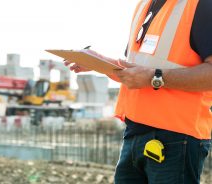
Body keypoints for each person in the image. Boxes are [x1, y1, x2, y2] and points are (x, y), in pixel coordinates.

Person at [64, 0, 212, 183]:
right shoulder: (145, 5)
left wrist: (154, 77)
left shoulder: (201, 4)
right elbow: (136, 72)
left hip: (177, 139)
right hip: (134, 133)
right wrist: (99, 62)